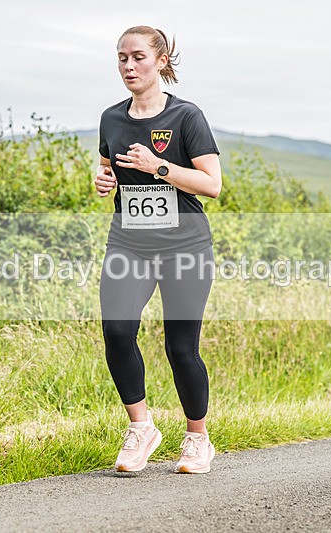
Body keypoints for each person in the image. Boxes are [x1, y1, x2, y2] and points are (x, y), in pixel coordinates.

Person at [94, 25, 222, 474]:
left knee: (180, 348)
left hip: (184, 246)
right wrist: (104, 180)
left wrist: (160, 166)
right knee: (116, 332)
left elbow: (212, 185)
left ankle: (197, 439)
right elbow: (109, 169)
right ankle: (142, 428)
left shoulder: (187, 117)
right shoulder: (111, 118)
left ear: (161, 61)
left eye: (138, 58)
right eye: (122, 58)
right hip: (128, 243)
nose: (129, 66)